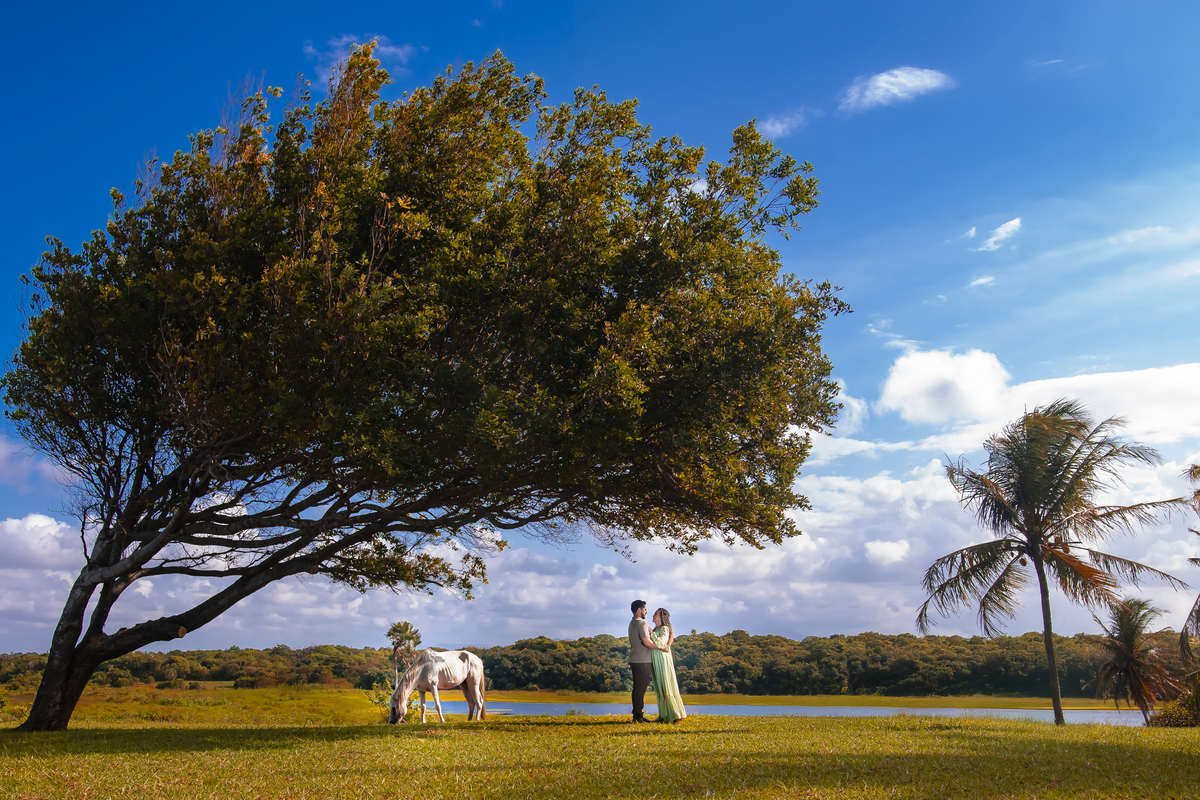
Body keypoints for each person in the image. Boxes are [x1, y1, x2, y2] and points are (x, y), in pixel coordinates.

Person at [627, 599, 668, 723]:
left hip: (634, 659)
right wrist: (661, 648)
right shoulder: (641, 624)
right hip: (642, 660)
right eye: (644, 609)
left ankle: (636, 715)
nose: (646, 612)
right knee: (641, 689)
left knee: (637, 688)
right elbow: (647, 642)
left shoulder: (633, 623)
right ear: (639, 610)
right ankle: (638, 716)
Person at [650, 607, 687, 723]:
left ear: (662, 617)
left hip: (662, 659)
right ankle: (664, 715)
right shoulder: (656, 629)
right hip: (656, 659)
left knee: (667, 686)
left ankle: (676, 714)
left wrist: (651, 633)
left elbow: (661, 642)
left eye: (656, 614)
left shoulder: (664, 629)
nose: (653, 615)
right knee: (660, 688)